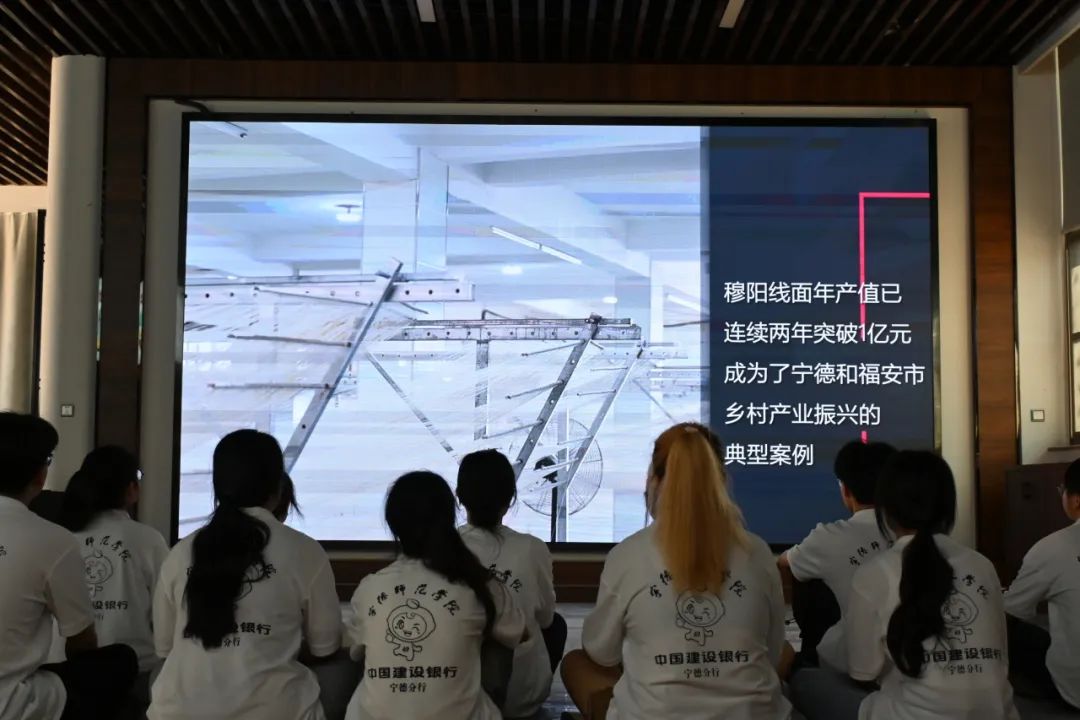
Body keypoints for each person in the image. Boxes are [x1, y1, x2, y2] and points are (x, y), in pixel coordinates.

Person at [563, 422, 791, 720]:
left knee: (576, 664)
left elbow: (601, 652)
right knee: (786, 651)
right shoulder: (757, 552)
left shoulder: (628, 554)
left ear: (655, 480)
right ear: (722, 479)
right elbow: (772, 652)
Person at [149, 429, 342, 720]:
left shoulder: (180, 554)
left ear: (217, 487)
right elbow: (325, 647)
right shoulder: (304, 551)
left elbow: (165, 649)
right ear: (278, 488)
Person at [839, 451, 1018, 720]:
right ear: (948, 506)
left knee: (811, 682)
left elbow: (863, 671)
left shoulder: (873, 574)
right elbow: (1001, 656)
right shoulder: (982, 565)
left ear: (885, 509)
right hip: (998, 714)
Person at [344, 471, 526, 720]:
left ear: (393, 524)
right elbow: (520, 633)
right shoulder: (480, 584)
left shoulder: (370, 587)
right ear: (450, 518)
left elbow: (352, 648)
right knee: (498, 643)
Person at [0, 412, 138, 720]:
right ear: (40, 474)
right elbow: (81, 641)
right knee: (120, 661)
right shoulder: (52, 540)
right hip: (13, 704)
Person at [456, 449, 564, 718]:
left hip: (456, 697)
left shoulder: (443, 549)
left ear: (460, 497)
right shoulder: (532, 548)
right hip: (522, 701)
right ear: (510, 499)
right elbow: (546, 618)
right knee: (556, 626)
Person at [778, 441, 895, 671]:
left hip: (850, 669)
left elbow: (783, 563)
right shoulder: (915, 536)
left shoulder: (827, 538)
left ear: (846, 491)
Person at [59, 447, 170, 684]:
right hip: (134, 671)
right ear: (131, 488)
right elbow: (167, 610)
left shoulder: (60, 536)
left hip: (65, 671)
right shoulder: (148, 539)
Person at [1003, 458, 1080, 710]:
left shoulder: (1053, 547)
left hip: (1074, 690)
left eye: (1062, 490)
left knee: (1010, 626)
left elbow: (1011, 610)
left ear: (1076, 500)